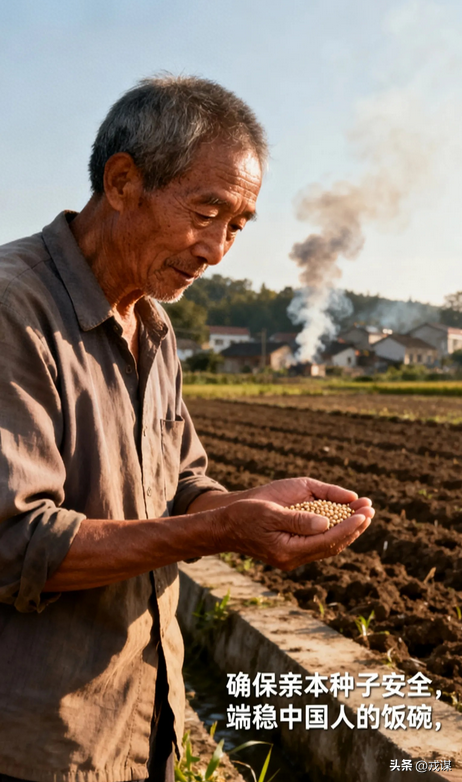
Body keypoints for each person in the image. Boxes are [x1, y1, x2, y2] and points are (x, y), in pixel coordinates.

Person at [0, 75, 374, 782]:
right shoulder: (15, 309)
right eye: (206, 213)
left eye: (237, 225)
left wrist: (252, 507)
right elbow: (16, 541)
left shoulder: (154, 325)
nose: (218, 250)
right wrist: (219, 533)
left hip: (144, 722)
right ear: (121, 183)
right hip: (36, 743)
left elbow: (181, 485)